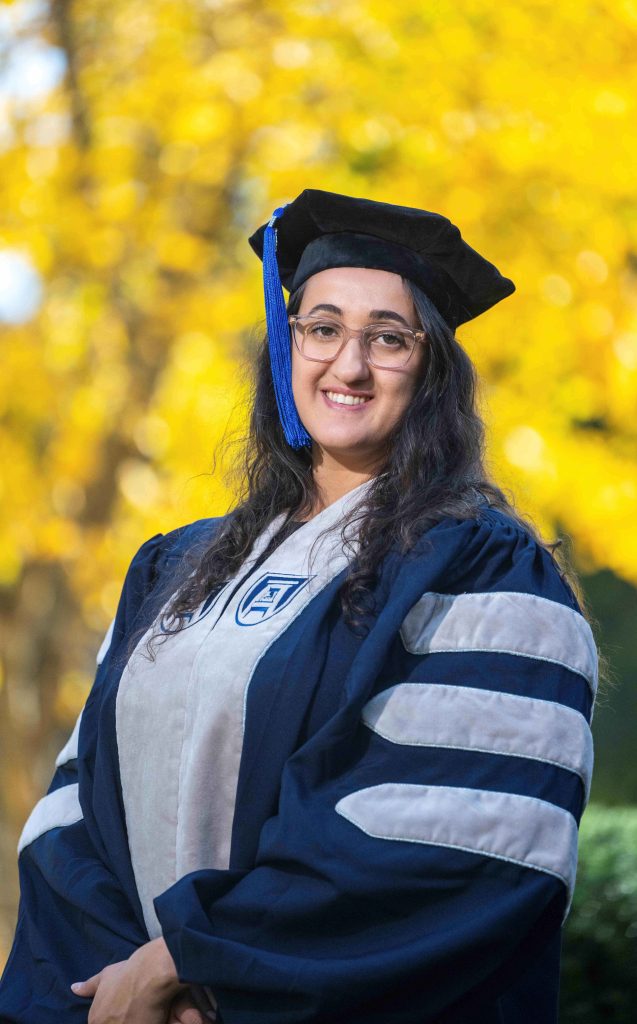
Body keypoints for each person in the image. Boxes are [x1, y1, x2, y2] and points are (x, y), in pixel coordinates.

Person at [0, 189, 598, 1024]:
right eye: (321, 329)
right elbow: (74, 809)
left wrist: (196, 971)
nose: (346, 366)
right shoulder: (174, 567)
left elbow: (450, 841)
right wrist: (121, 987)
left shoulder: (480, 567)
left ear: (431, 371)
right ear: (285, 348)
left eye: (387, 338)